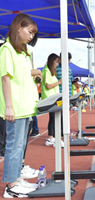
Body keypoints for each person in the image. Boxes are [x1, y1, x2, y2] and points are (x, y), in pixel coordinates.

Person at [0, 13, 40, 197]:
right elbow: (6, 78)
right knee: (14, 146)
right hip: (15, 107)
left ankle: (16, 178)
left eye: (33, 33)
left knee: (20, 145)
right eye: (29, 31)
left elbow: (22, 78)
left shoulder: (22, 52)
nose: (31, 36)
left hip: (26, 107)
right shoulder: (7, 49)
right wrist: (9, 106)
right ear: (19, 28)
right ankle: (11, 186)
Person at [41, 54, 63, 147]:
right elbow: (48, 86)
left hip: (54, 98)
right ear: (51, 61)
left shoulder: (50, 71)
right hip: (50, 98)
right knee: (53, 118)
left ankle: (53, 136)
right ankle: (50, 137)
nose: (57, 64)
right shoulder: (46, 71)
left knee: (55, 117)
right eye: (56, 62)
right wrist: (59, 82)